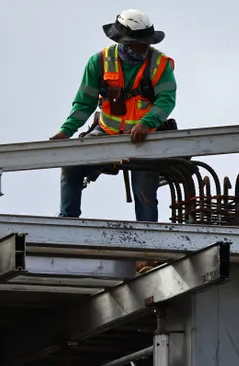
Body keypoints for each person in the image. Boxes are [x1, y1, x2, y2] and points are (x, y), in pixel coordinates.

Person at [51, 10, 176, 233]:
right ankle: (67, 225)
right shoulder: (99, 62)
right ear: (124, 42)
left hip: (144, 138)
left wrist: (147, 123)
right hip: (107, 132)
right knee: (71, 165)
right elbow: (84, 102)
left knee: (145, 190)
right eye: (139, 43)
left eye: (146, 43)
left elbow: (166, 100)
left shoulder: (160, 64)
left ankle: (148, 244)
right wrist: (66, 131)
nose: (144, 48)